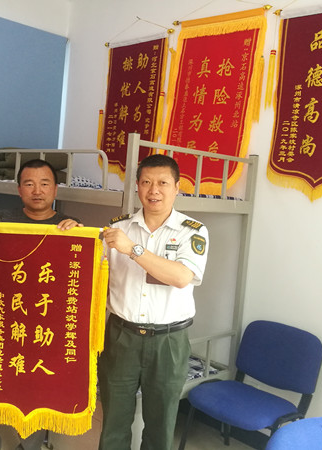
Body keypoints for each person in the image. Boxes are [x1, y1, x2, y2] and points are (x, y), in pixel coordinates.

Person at [0, 158, 82, 450]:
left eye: (44, 184)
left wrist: (82, 236)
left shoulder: (70, 227)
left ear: (55, 189)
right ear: (19, 189)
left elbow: (82, 279)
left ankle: (30, 446)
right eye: (29, 184)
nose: (37, 190)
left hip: (43, 326)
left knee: (37, 389)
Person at [100, 154, 209, 450]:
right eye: (146, 182)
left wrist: (133, 249)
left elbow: (181, 277)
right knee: (113, 422)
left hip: (168, 341)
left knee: (160, 425)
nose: (154, 190)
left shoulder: (192, 231)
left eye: (162, 183)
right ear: (137, 186)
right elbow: (92, 270)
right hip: (121, 336)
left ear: (177, 187)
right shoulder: (117, 228)